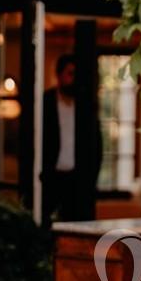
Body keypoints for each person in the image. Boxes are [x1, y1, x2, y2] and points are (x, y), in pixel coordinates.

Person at [41, 54, 101, 222]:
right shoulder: (44, 102)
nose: (74, 79)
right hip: (51, 178)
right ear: (59, 75)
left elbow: (96, 145)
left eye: (76, 74)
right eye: (70, 73)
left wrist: (90, 179)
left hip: (78, 180)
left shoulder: (85, 105)